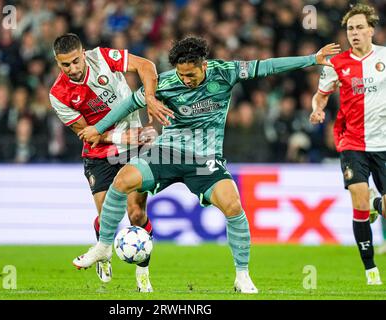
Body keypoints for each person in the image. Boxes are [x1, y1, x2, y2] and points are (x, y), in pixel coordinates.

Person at [75, 36, 338, 293]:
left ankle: (242, 276)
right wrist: (97, 129)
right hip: (169, 152)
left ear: (204, 65)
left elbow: (267, 66)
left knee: (233, 205)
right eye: (181, 75)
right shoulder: (165, 82)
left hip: (205, 159)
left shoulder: (225, 72)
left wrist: (312, 59)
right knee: (123, 180)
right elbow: (129, 103)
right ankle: (103, 246)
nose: (186, 81)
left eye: (191, 75)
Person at [49, 33, 172, 292]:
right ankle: (103, 254)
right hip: (99, 153)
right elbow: (88, 134)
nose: (72, 68)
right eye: (65, 65)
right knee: (107, 217)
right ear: (57, 63)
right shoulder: (58, 95)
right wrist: (122, 136)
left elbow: (146, 65)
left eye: (75, 61)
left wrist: (149, 98)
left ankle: (143, 272)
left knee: (136, 213)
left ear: (83, 54)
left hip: (135, 148)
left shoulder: (102, 58)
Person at [309, 4, 386, 285]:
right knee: (358, 198)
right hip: (351, 141)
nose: (354, 33)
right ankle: (371, 271)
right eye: (350, 28)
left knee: (375, 204)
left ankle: (378, 203)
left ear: (371, 30)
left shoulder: (385, 57)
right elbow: (320, 96)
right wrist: (317, 109)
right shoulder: (336, 64)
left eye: (359, 27)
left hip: (384, 144)